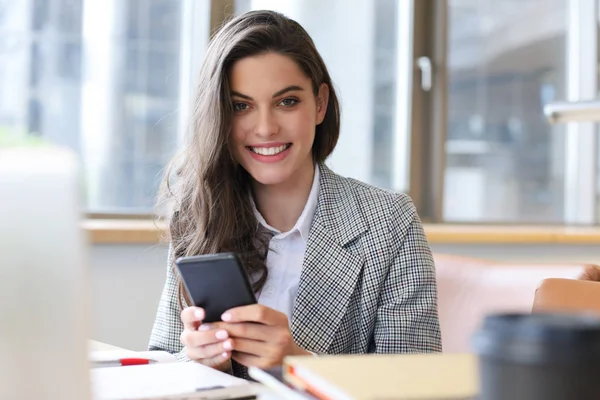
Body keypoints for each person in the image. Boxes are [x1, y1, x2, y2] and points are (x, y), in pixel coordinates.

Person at [149, 9, 442, 378]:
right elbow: (159, 360)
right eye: (241, 107)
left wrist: (301, 365)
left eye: (287, 101)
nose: (266, 127)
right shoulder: (198, 214)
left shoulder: (390, 222)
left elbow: (419, 385)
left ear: (320, 104)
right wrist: (201, 363)